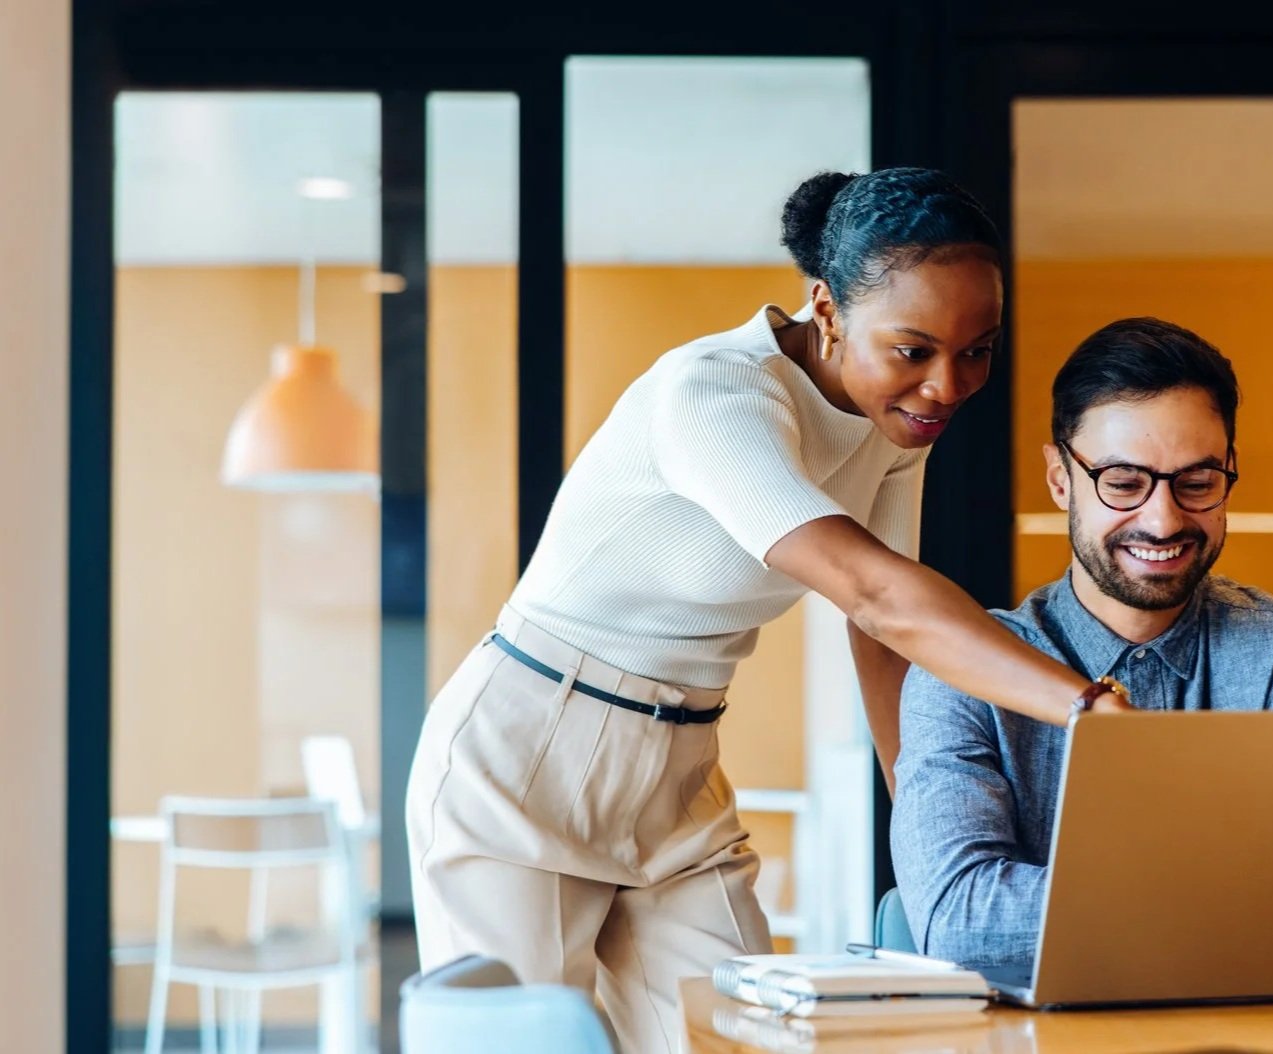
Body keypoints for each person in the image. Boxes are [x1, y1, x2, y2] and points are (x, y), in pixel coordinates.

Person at [405, 168, 1129, 1054]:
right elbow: (871, 591)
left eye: (976, 350)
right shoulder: (711, 394)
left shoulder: (892, 423)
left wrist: (922, 819)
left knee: (749, 1040)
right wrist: (1085, 709)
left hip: (679, 765)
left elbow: (881, 635)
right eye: (913, 349)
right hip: (527, 752)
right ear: (825, 310)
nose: (945, 385)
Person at [891, 316, 1273, 969]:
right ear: (1059, 479)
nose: (1162, 520)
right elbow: (961, 923)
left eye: (1196, 482)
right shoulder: (959, 670)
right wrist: (1242, 900)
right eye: (1124, 483)